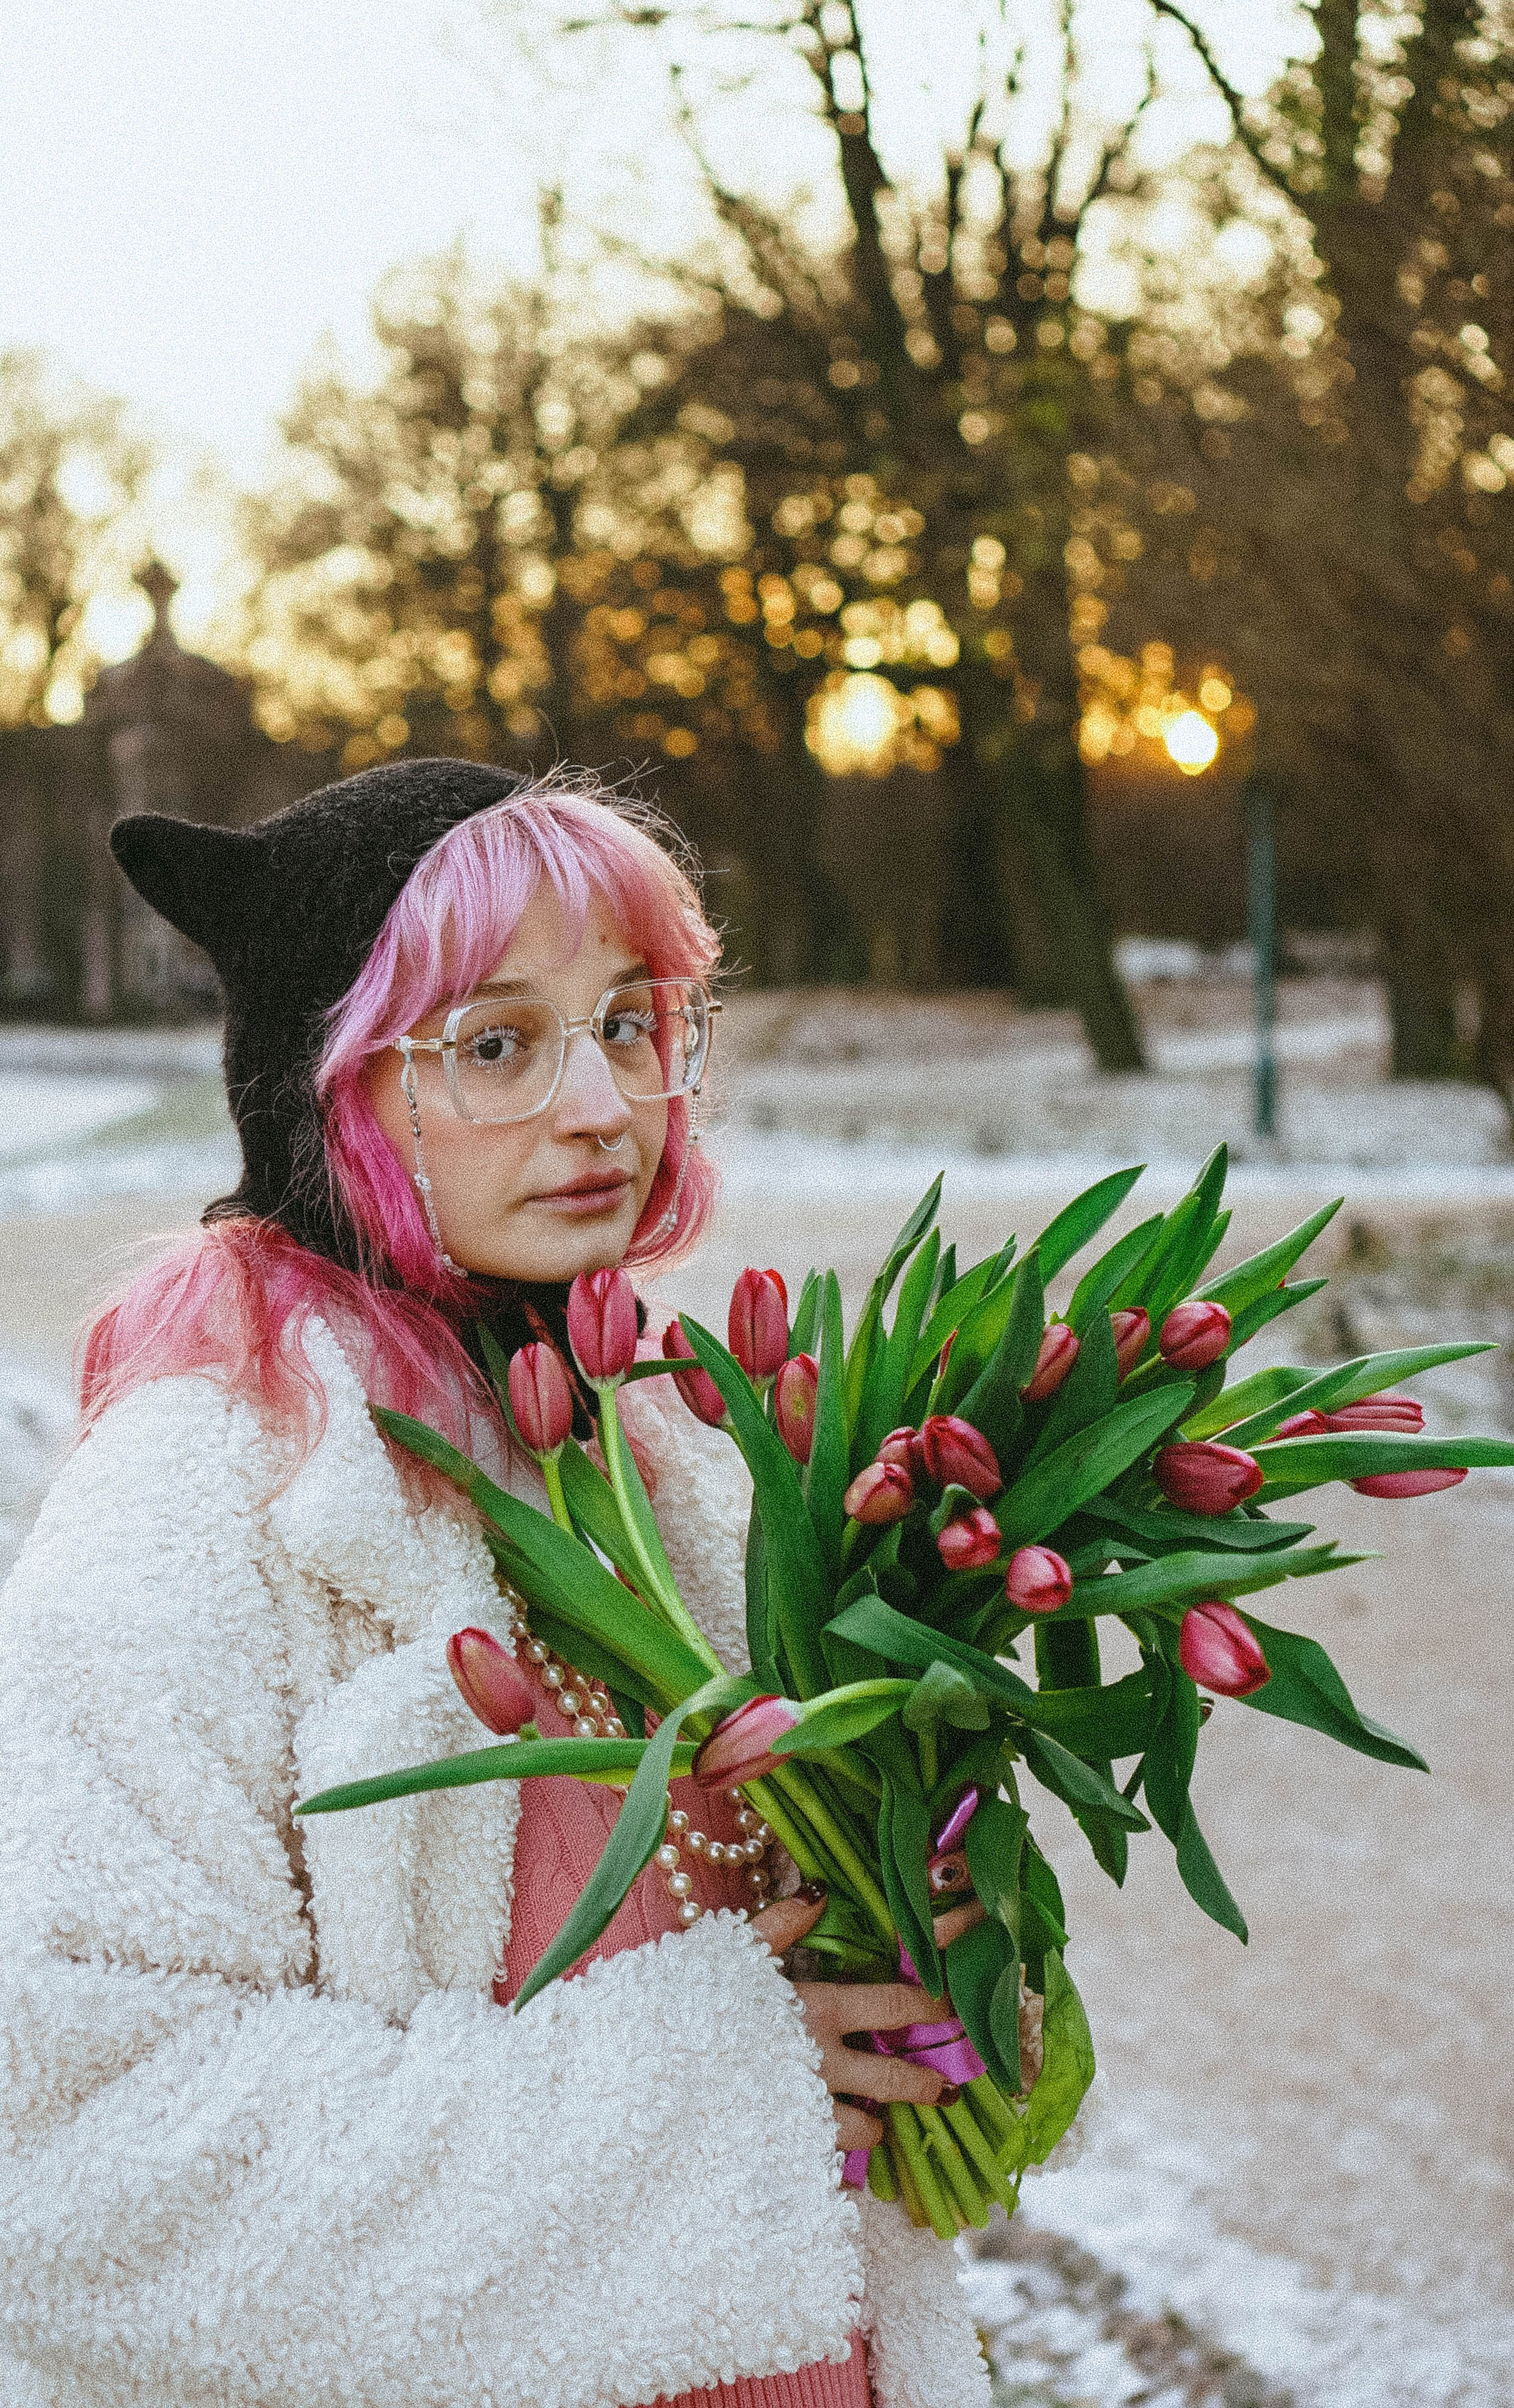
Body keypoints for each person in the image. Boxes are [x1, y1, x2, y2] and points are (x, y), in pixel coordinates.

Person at [0, 761, 993, 2408]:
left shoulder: (670, 1447)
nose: (603, 1102)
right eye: (498, 1044)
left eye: (629, 1020)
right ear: (328, 1093)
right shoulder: (205, 1488)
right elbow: (65, 2151)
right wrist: (731, 2102)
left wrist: (933, 1948)